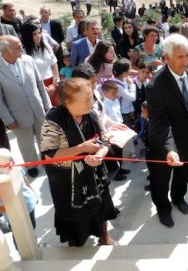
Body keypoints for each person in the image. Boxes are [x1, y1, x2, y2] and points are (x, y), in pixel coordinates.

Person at [40, 78, 117, 246]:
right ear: (68, 101)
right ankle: (77, 242)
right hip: (68, 181)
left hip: (94, 173)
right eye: (86, 99)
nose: (91, 102)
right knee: (76, 217)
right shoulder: (53, 119)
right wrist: (81, 148)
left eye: (91, 97)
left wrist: (99, 155)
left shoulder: (92, 113)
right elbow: (49, 154)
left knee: (101, 205)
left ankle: (104, 237)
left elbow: (104, 141)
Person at [145, 34, 188, 228]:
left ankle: (178, 198)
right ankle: (163, 208)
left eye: (187, 55)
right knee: (161, 180)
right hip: (165, 144)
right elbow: (159, 121)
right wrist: (170, 149)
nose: (185, 61)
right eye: (180, 56)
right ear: (166, 57)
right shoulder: (156, 85)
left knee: (183, 174)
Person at [0, 35, 51, 177]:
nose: (22, 48)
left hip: (38, 109)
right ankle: (31, 166)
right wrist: (8, 120)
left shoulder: (28, 60)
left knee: (45, 138)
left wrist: (47, 104)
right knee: (26, 144)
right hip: (18, 116)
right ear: (5, 51)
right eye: (18, 47)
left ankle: (47, 159)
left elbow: (40, 84)